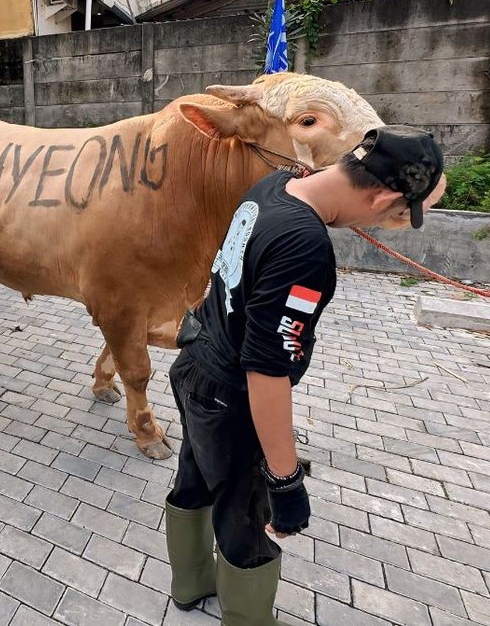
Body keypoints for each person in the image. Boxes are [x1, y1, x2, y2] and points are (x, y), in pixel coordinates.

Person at [166, 126, 446, 625]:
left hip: (194, 366)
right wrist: (285, 478)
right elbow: (267, 371)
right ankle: (247, 619)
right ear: (381, 193)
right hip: (232, 394)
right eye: (394, 215)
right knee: (243, 514)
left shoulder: (276, 186)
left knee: (194, 477)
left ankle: (189, 584)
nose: (384, 225)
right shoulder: (305, 246)